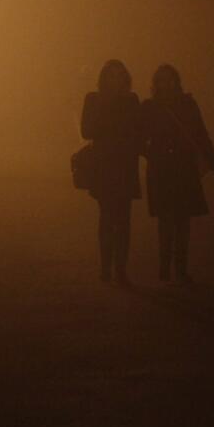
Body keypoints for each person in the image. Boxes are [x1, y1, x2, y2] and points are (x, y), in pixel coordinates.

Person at [141, 65, 214, 284]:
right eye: (162, 80)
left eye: (170, 80)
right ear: (156, 84)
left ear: (176, 82)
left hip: (183, 167)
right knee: (167, 221)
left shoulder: (187, 104)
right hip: (162, 169)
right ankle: (166, 268)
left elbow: (201, 134)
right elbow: (138, 136)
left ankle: (179, 269)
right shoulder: (150, 107)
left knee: (182, 221)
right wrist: (151, 153)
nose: (166, 84)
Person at [81, 59, 142, 285]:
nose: (115, 79)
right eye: (111, 75)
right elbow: (86, 130)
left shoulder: (131, 100)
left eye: (119, 75)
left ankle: (120, 270)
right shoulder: (93, 99)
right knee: (107, 216)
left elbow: (138, 131)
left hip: (124, 165)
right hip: (104, 165)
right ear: (103, 78)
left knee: (123, 218)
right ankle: (106, 267)